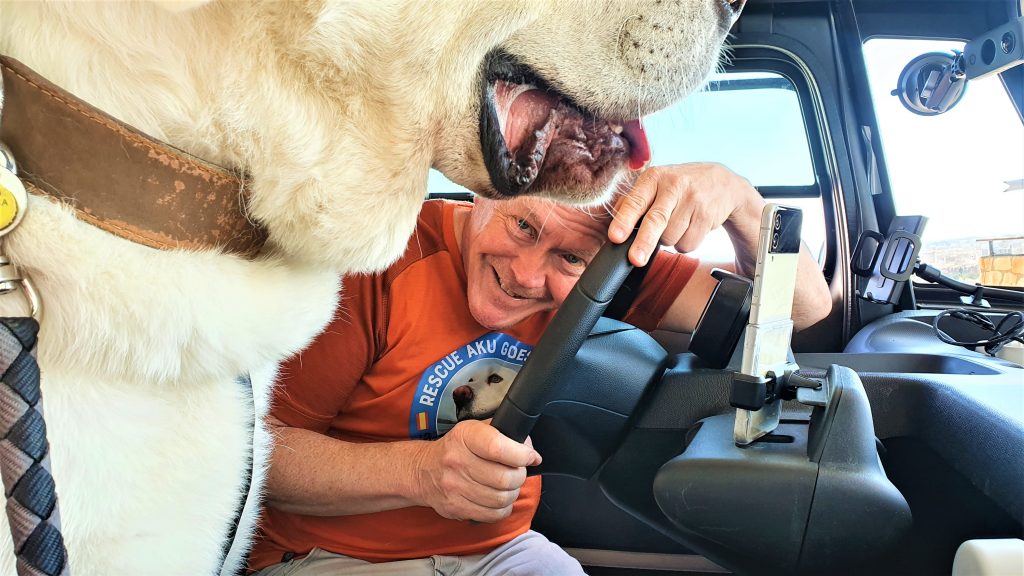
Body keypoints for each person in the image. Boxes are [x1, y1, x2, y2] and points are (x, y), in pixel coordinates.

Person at [248, 163, 832, 575]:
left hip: (502, 552)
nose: (526, 276)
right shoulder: (380, 261)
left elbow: (803, 308)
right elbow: (260, 457)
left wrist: (742, 201)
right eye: (523, 226)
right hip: (327, 556)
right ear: (482, 191)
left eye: (568, 257)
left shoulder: (608, 269)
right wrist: (421, 472)